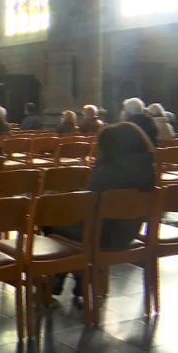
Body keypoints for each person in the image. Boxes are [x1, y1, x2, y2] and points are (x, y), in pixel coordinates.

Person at [47, 122, 156, 298]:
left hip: (101, 235)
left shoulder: (109, 172)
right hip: (127, 233)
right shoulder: (149, 169)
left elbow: (86, 205)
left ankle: (60, 277)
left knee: (50, 220)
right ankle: (76, 277)